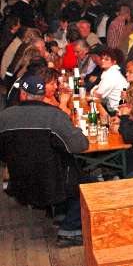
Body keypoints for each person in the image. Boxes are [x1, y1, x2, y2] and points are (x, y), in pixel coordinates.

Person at [0, 74, 89, 247]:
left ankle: (61, 214)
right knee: (87, 180)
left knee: (61, 168)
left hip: (19, 183)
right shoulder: (54, 116)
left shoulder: (4, 117)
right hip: (53, 184)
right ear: (43, 95)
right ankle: (69, 230)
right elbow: (80, 145)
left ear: (22, 94)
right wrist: (78, 130)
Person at [92, 48, 129, 113]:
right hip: (111, 108)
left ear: (114, 62)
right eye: (102, 58)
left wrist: (94, 89)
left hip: (116, 111)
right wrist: (96, 90)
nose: (103, 61)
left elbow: (97, 94)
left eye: (106, 59)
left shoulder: (111, 75)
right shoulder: (110, 72)